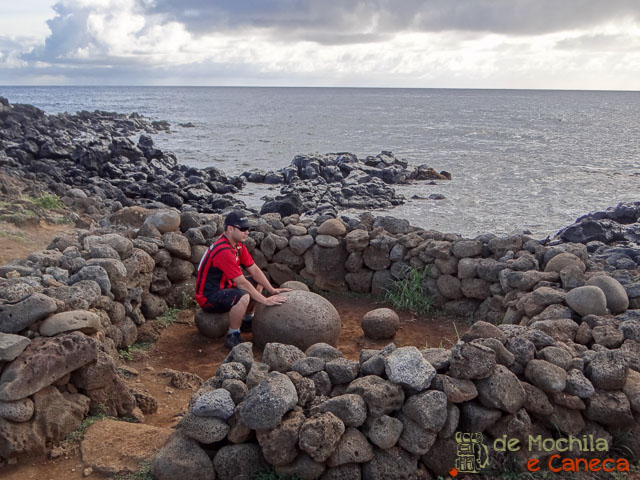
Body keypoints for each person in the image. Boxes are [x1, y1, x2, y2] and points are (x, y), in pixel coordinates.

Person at [195, 210, 291, 348]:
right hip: (208, 296)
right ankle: (233, 335)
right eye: (243, 229)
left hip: (225, 286)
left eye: (248, 229)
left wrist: (271, 290)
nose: (247, 232)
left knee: (257, 281)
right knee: (243, 296)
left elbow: (254, 269)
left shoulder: (238, 245)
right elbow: (241, 283)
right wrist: (265, 300)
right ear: (230, 229)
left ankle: (247, 320)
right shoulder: (223, 250)